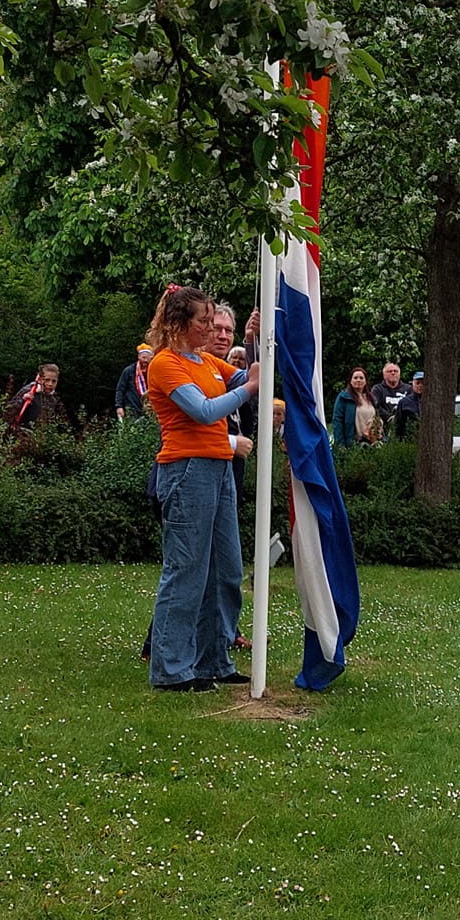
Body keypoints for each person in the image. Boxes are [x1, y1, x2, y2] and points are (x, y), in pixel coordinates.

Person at [143, 285, 259, 692]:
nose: (211, 328)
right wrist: (247, 389)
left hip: (220, 469)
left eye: (213, 321)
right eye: (204, 321)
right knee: (187, 570)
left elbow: (250, 375)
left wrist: (254, 341)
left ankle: (214, 659)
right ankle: (172, 668)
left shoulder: (208, 362)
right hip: (186, 470)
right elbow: (204, 411)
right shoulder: (165, 364)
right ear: (178, 323)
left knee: (226, 568)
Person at [331, 367, 377, 448]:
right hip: (353, 444)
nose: (358, 380)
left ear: (366, 381)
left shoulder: (371, 398)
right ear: (350, 381)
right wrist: (340, 445)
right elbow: (337, 421)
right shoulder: (343, 397)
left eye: (361, 378)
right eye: (355, 378)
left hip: (371, 443)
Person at [11, 363, 64, 432]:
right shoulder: (28, 391)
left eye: (54, 381)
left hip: (39, 435)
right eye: (47, 380)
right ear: (39, 379)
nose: (50, 384)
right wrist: (22, 400)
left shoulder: (53, 400)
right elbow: (9, 410)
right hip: (20, 432)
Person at [115, 343, 155, 421]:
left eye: (148, 358)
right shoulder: (129, 371)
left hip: (149, 407)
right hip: (132, 407)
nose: (145, 360)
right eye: (143, 357)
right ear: (139, 356)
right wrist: (119, 406)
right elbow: (120, 389)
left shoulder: (153, 371)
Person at [373, 362, 412, 437]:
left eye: (395, 371)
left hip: (405, 427)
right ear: (384, 375)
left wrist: (398, 418)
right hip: (384, 427)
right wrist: (389, 417)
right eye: (389, 371)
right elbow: (375, 406)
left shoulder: (408, 389)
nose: (393, 373)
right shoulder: (377, 389)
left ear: (399, 374)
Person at [396, 371, 425, 440]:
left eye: (423, 383)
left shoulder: (433, 402)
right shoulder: (404, 402)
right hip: (409, 438)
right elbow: (398, 424)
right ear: (412, 384)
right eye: (417, 383)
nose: (420, 386)